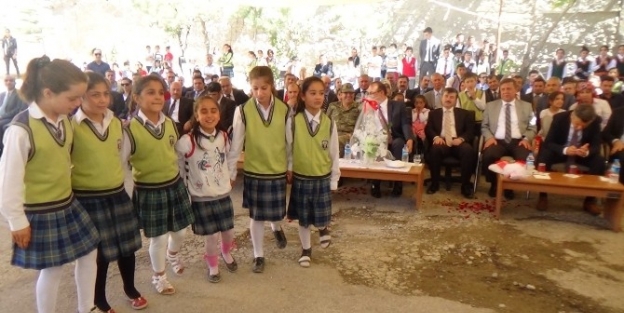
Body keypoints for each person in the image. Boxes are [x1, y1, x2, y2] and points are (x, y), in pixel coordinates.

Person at [0, 56, 99, 313]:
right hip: (40, 210)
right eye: (73, 98)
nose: (78, 104)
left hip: (67, 203)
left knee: (89, 252)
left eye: (81, 97)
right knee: (52, 268)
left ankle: (86, 307)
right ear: (47, 92)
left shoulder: (64, 120)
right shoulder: (20, 130)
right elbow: (7, 182)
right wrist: (16, 221)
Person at [71, 72, 147, 312]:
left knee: (128, 246)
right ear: (80, 96)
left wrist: (124, 186)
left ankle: (130, 288)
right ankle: (99, 299)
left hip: (117, 193)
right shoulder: (72, 127)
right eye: (94, 95)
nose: (102, 100)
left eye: (105, 94)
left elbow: (122, 159)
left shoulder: (116, 123)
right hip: (88, 199)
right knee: (99, 254)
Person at [123, 75, 194, 295]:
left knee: (181, 231)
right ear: (136, 97)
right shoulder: (129, 129)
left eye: (160, 92)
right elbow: (123, 166)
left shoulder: (171, 124)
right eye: (150, 92)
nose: (157, 97)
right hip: (149, 190)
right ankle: (159, 276)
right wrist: (127, 196)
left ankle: (172, 254)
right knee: (159, 237)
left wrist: (185, 182)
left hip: (174, 186)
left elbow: (178, 156)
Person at [226, 66, 290, 273]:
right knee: (256, 215)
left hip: (277, 169)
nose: (260, 93)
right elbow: (236, 145)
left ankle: (277, 227)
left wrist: (291, 166)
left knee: (275, 212)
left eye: (264, 88)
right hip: (255, 170)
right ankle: (258, 254)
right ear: (250, 87)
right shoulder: (242, 110)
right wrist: (231, 172)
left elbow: (290, 143)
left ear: (272, 86)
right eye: (255, 88)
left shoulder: (285, 110)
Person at [176, 96, 237, 283]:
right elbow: (179, 166)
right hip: (202, 198)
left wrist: (230, 177)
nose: (209, 115)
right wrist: (185, 189)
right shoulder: (187, 141)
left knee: (228, 232)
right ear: (196, 114)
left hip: (223, 195)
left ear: (219, 114)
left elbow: (228, 158)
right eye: (204, 111)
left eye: (213, 110)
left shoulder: (224, 136)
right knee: (210, 236)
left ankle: (226, 252)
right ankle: (212, 265)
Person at [286, 76, 340, 267]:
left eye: (321, 93)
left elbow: (334, 152)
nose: (318, 97)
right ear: (302, 96)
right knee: (303, 217)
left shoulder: (329, 122)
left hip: (322, 176)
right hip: (301, 177)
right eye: (313, 93)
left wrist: (334, 179)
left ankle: (323, 227)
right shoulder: (294, 121)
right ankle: (306, 249)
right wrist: (290, 168)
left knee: (320, 213)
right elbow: (289, 149)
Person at [536, 105, 604, 215]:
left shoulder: (595, 122)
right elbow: (549, 143)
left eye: (583, 126)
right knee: (544, 156)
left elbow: (596, 145)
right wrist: (565, 149)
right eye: (577, 124)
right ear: (572, 116)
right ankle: (543, 196)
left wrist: (587, 151)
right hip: (561, 151)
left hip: (581, 153)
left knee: (599, 161)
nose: (579, 128)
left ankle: (590, 200)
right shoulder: (559, 118)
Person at [481, 78, 536, 199]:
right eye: (503, 89)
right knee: (489, 155)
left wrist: (527, 138)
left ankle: (510, 186)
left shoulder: (527, 106)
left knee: (525, 158)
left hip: (518, 141)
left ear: (516, 90)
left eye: (509, 89)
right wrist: (489, 137)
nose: (506, 91)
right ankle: (494, 184)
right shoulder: (491, 106)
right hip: (497, 141)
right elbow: (484, 125)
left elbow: (533, 125)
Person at [425, 88, 475, 198]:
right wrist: (436, 137)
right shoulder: (433, 113)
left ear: (456, 100)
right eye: (446, 96)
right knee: (435, 149)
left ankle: (465, 186)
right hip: (442, 140)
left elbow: (470, 131)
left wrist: (461, 139)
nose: (448, 99)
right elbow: (429, 129)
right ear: (442, 98)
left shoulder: (465, 114)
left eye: (452, 97)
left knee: (468, 150)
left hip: (458, 141)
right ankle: (434, 184)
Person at [366, 81, 414, 198]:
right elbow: (365, 125)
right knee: (372, 144)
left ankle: (398, 182)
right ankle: (375, 183)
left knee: (398, 145)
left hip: (394, 137)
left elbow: (405, 124)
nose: (369, 96)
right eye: (368, 93)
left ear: (381, 92)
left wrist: (409, 139)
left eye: (371, 93)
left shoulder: (398, 105)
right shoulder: (369, 106)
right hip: (376, 138)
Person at [326, 83, 361, 156]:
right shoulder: (333, 106)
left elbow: (361, 126)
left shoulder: (359, 107)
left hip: (351, 138)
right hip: (333, 136)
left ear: (354, 95)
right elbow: (326, 122)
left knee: (337, 142)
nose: (349, 95)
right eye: (346, 93)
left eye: (351, 93)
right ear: (341, 94)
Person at [0, 75, 27, 156]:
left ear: (15, 82)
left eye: (11, 80)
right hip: (2, 117)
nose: (8, 82)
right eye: (6, 80)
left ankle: (4, 150)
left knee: (0, 124)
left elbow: (18, 109)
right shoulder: (2, 94)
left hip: (13, 118)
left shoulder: (19, 94)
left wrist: (2, 116)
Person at [602, 106, 624, 185]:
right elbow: (606, 133)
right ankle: (619, 192)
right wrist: (616, 141)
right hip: (620, 148)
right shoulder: (618, 112)